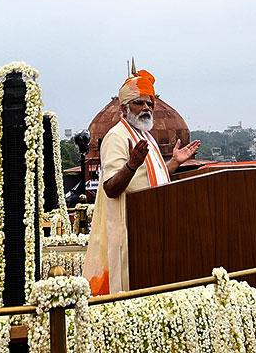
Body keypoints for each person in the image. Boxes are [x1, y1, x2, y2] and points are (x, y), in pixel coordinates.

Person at [83, 68, 199, 295]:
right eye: (139, 103)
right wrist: (131, 164)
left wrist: (175, 162)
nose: (146, 108)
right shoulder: (117, 137)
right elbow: (110, 188)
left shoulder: (146, 136)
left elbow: (150, 178)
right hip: (130, 230)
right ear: (124, 108)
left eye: (149, 104)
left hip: (153, 227)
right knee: (129, 291)